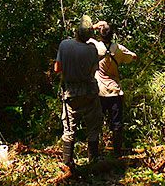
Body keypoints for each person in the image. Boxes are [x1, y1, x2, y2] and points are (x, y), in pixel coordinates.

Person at [54, 16, 103, 171]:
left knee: (69, 129)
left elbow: (57, 68)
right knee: (93, 127)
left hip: (71, 94)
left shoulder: (65, 45)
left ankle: (68, 162)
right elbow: (94, 69)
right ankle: (93, 160)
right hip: (89, 93)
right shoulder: (92, 49)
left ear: (76, 32)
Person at [90, 20, 137, 158]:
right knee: (116, 124)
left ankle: (94, 155)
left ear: (100, 34)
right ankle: (117, 154)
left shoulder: (95, 46)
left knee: (95, 124)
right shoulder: (118, 48)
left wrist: (94, 26)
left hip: (99, 91)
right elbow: (133, 56)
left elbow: (81, 35)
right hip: (115, 91)